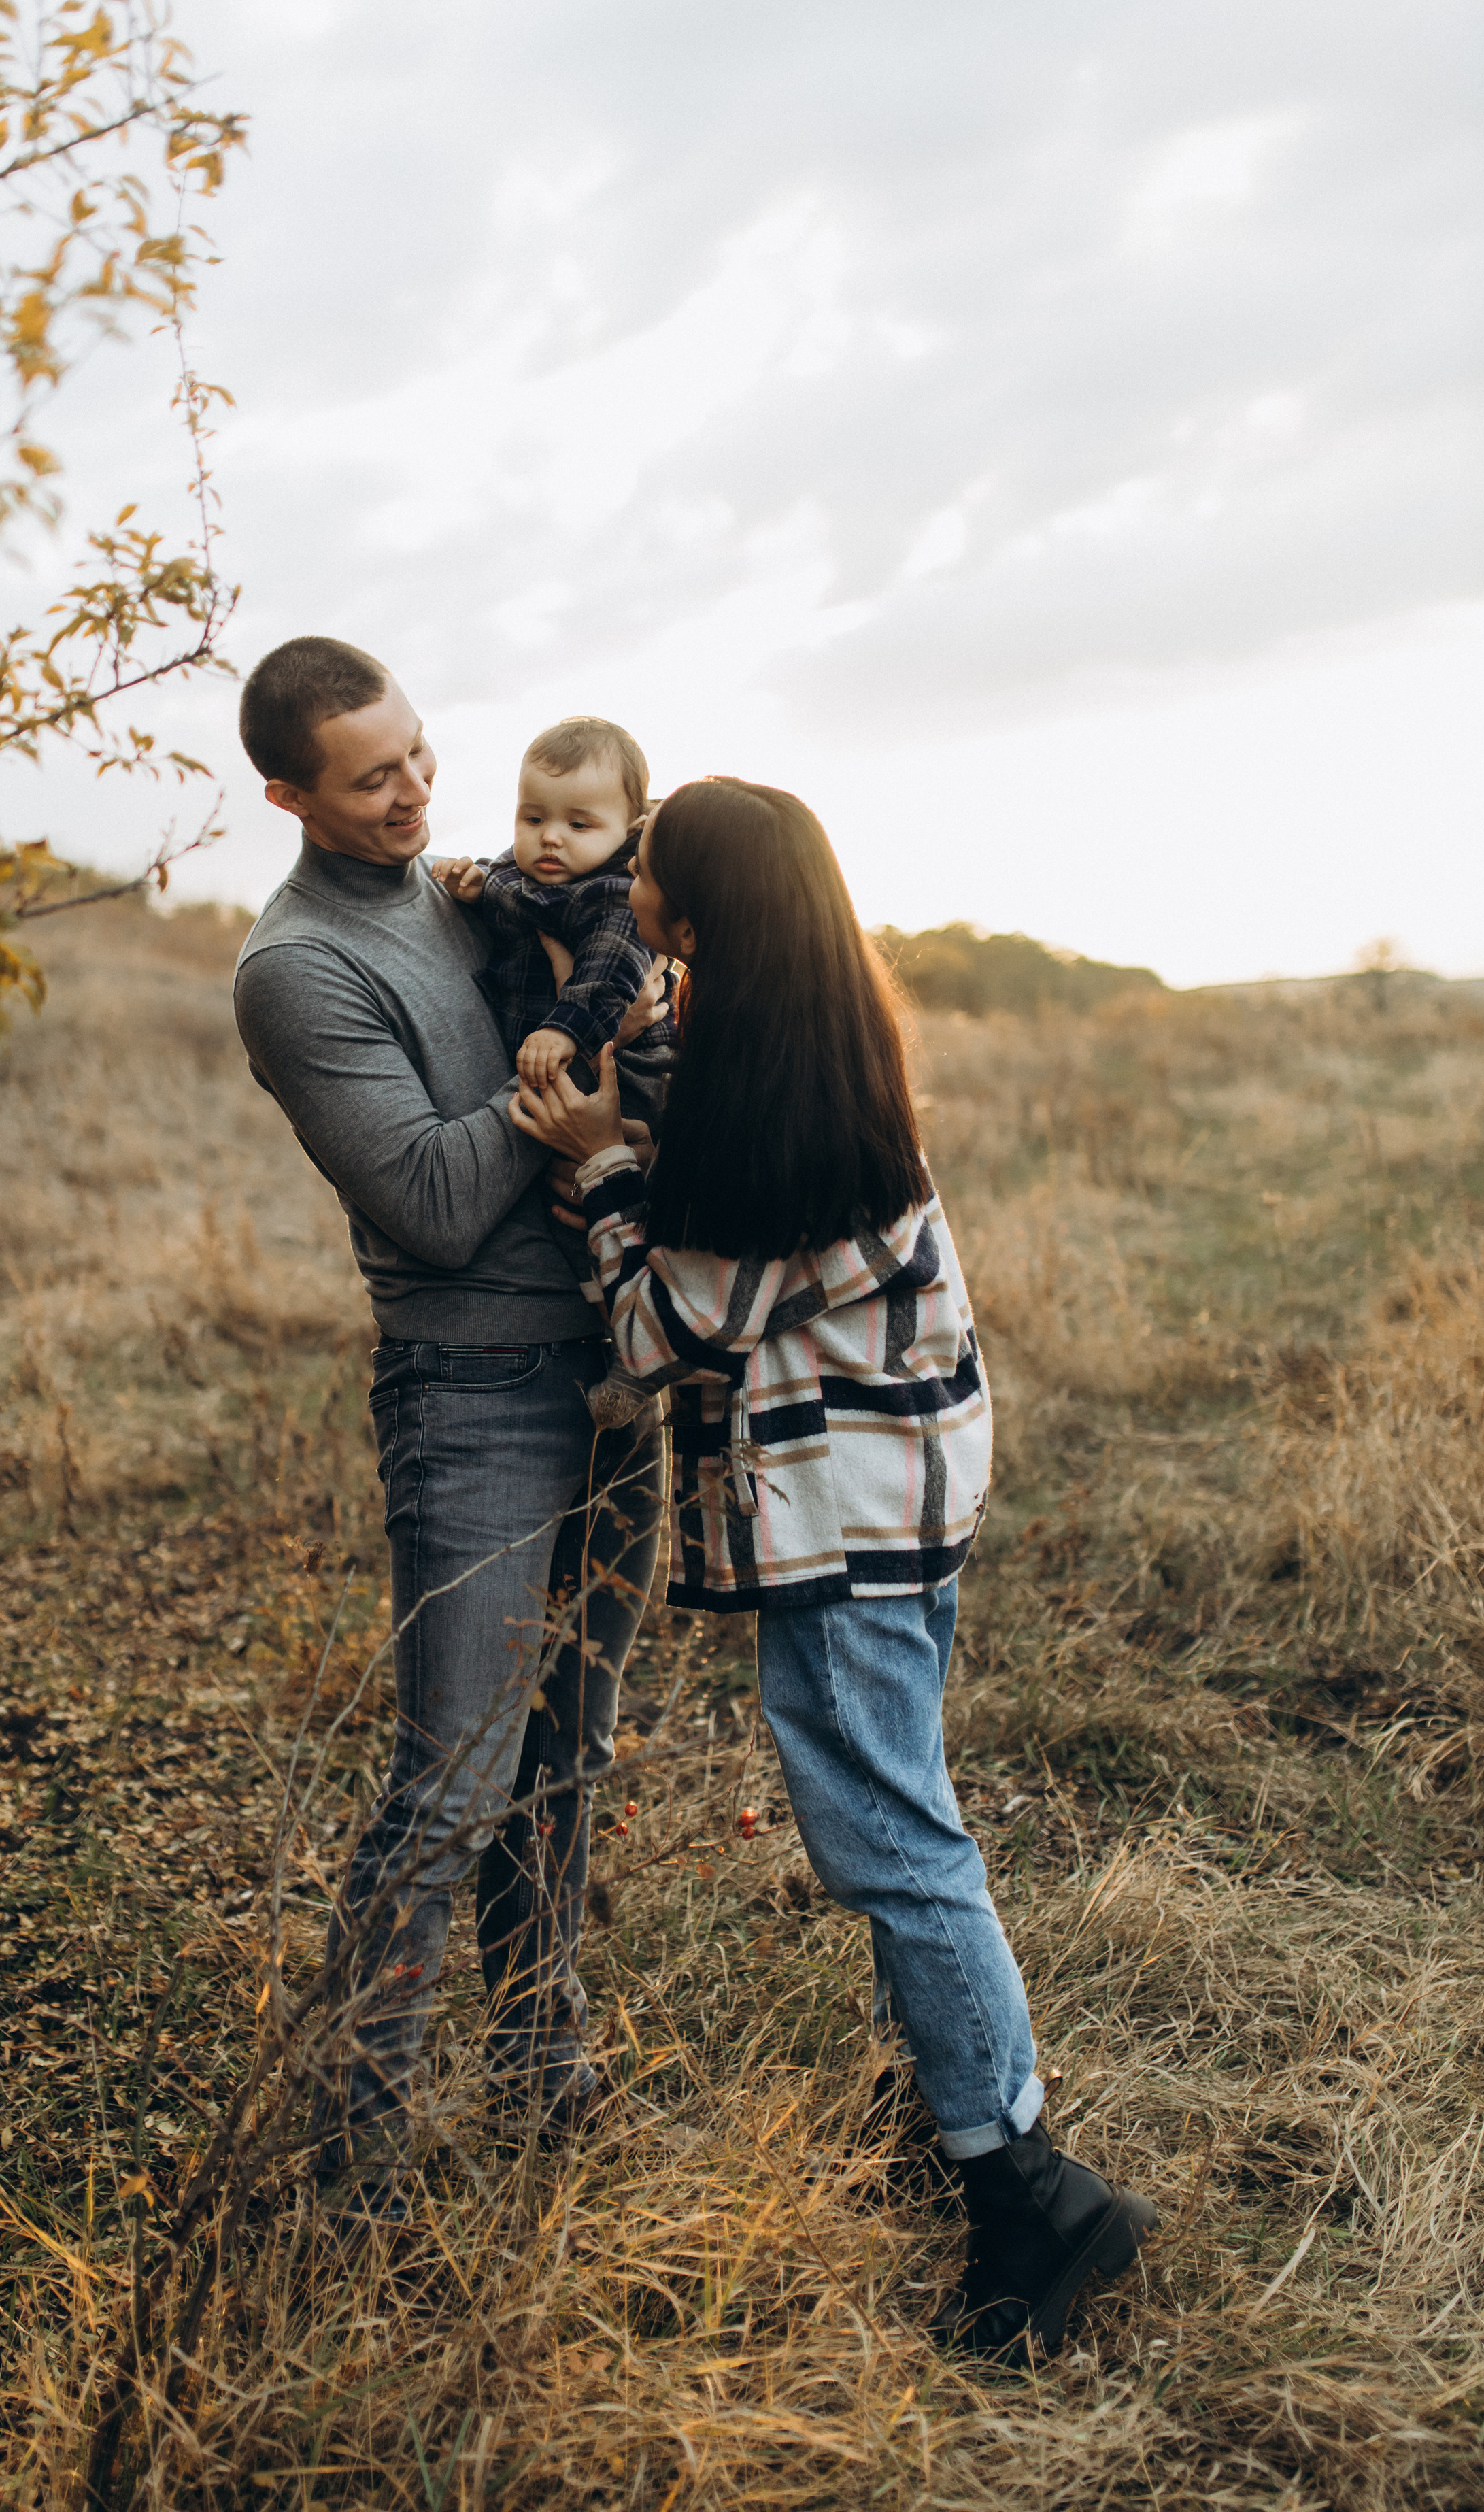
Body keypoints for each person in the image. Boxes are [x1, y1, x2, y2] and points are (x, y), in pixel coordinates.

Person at [509, 776, 1158, 2362]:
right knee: (895, 1814)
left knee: (889, 1838)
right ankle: (968, 2119)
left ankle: (1023, 2188)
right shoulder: (783, 1027)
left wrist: (596, 1167)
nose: (629, 874)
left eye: (648, 863)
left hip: (851, 1508)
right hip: (891, 1481)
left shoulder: (778, 1098)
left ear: (700, 905)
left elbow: (664, 1330)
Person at [231, 637, 666, 2219]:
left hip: (609, 1373)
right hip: (469, 1393)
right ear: (287, 794)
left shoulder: (480, 887)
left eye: (420, 753)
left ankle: (543, 2064)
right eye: (371, 777)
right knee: (455, 1777)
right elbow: (420, 1197)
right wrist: (563, 1094)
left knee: (568, 1751)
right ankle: (355, 2161)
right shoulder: (293, 966)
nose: (415, 790)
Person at [433, 713, 675, 1426]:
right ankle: (614, 1342)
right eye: (532, 816)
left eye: (578, 823)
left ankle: (636, 1368)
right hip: (558, 1072)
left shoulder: (614, 896)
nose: (550, 838)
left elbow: (606, 981)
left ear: (627, 830)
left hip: (623, 1071)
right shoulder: (528, 873)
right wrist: (476, 883)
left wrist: (562, 1032)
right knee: (569, 1217)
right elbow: (514, 889)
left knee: (602, 1214)